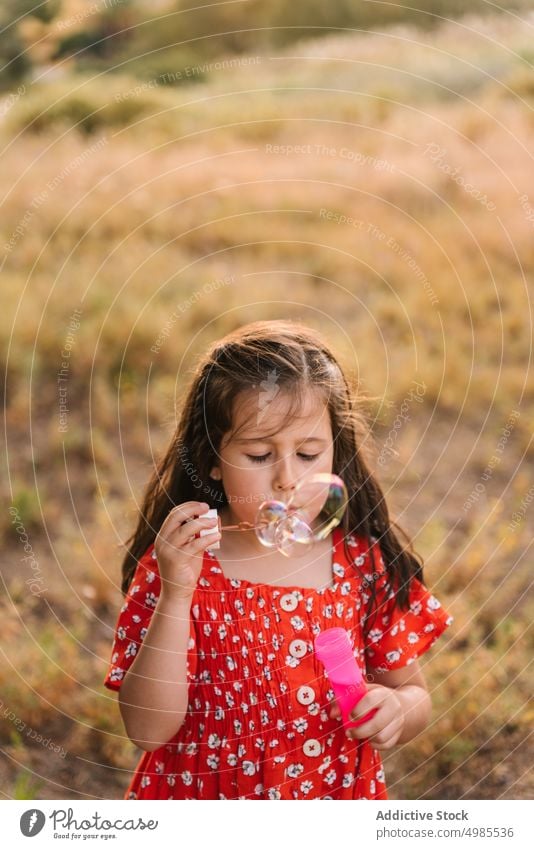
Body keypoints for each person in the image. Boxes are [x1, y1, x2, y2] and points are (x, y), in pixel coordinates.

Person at [103, 319, 453, 799]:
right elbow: (147, 730)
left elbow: (414, 693)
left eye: (308, 453)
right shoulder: (181, 563)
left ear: (335, 447)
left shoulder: (360, 564)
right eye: (259, 454)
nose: (288, 479)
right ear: (211, 458)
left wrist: (396, 709)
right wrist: (176, 594)